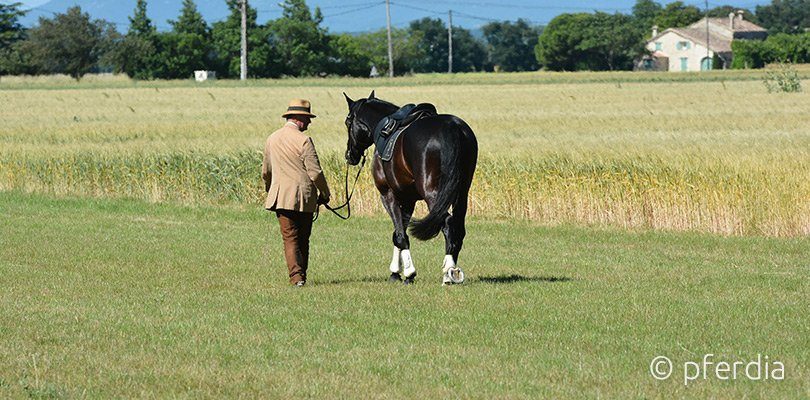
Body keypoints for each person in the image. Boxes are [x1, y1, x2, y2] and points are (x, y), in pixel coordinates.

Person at [262, 99, 330, 287]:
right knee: (302, 239)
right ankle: (300, 276)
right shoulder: (304, 140)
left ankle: (296, 278)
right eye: (307, 118)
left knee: (289, 238)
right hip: (304, 197)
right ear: (299, 118)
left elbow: (266, 172)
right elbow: (315, 172)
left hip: (280, 196)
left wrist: (271, 190)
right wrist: (325, 193)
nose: (309, 122)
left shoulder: (271, 138)